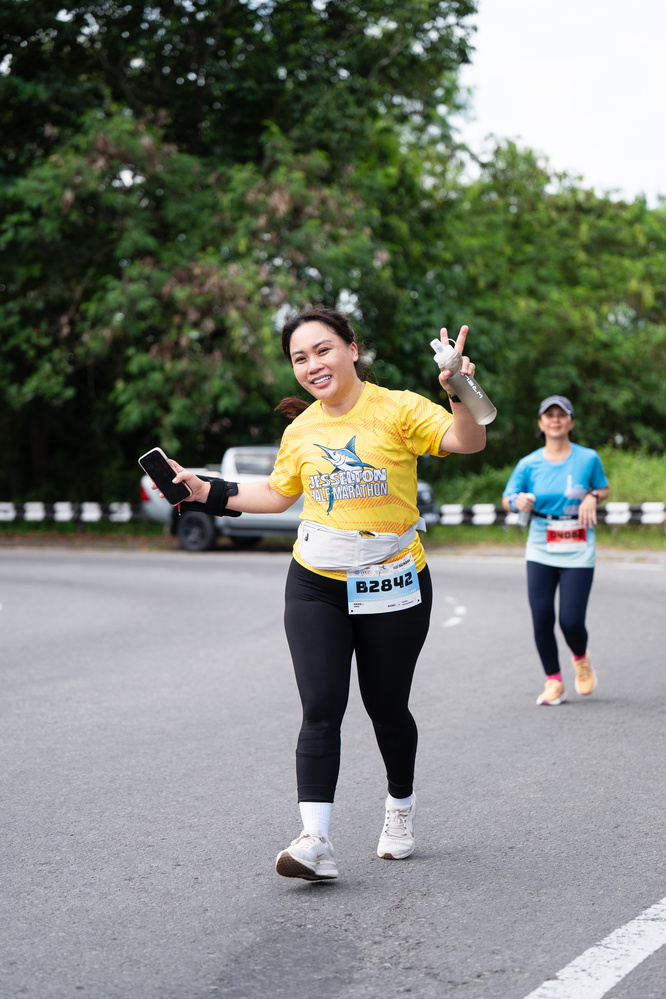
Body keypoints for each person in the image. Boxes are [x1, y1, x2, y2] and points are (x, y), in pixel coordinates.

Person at [163, 307, 486, 881]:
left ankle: (400, 808)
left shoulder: (398, 408)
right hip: (316, 582)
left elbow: (468, 439)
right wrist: (203, 490)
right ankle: (314, 839)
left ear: (352, 350)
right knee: (320, 706)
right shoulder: (302, 430)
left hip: (393, 580)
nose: (312, 364)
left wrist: (457, 385)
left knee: (386, 706)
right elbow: (276, 494)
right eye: (299, 357)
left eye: (323, 350)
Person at [502, 396, 609, 707]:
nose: (555, 420)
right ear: (541, 423)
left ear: (571, 422)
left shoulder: (588, 458)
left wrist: (592, 496)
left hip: (578, 546)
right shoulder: (529, 464)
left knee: (571, 621)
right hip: (541, 546)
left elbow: (603, 488)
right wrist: (517, 501)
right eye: (549, 415)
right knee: (542, 617)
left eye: (562, 415)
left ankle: (581, 658)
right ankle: (554, 681)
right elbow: (507, 498)